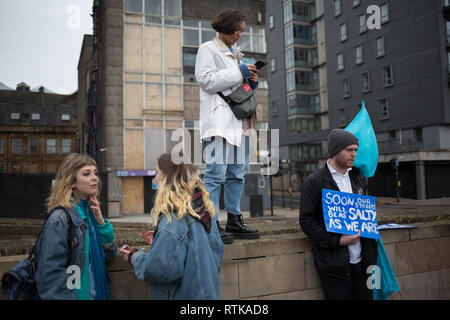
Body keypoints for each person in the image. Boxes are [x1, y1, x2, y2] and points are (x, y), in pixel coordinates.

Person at [195, 8, 260, 244]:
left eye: (242, 31)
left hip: (239, 122)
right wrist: (238, 72)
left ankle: (234, 219)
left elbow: (234, 88)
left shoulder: (236, 53)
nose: (239, 34)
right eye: (238, 30)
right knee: (215, 174)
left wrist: (250, 82)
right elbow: (206, 80)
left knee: (237, 174)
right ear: (225, 26)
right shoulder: (208, 49)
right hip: (218, 123)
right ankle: (210, 223)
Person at [120, 153, 224, 300]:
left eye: (157, 173)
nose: (155, 178)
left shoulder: (173, 222)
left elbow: (158, 270)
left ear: (168, 178)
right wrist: (159, 243)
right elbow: (214, 256)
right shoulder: (206, 214)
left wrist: (134, 257)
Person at [299, 129, 378, 300]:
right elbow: (306, 221)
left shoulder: (359, 178)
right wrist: (338, 240)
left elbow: (366, 213)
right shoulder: (314, 181)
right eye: (349, 150)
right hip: (334, 267)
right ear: (335, 151)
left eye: (356, 150)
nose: (354, 154)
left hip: (365, 265)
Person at [34, 153, 117, 300]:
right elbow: (49, 275)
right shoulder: (59, 219)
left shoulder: (90, 214)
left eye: (95, 173)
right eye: (86, 174)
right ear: (72, 182)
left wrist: (101, 223)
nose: (94, 178)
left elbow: (108, 257)